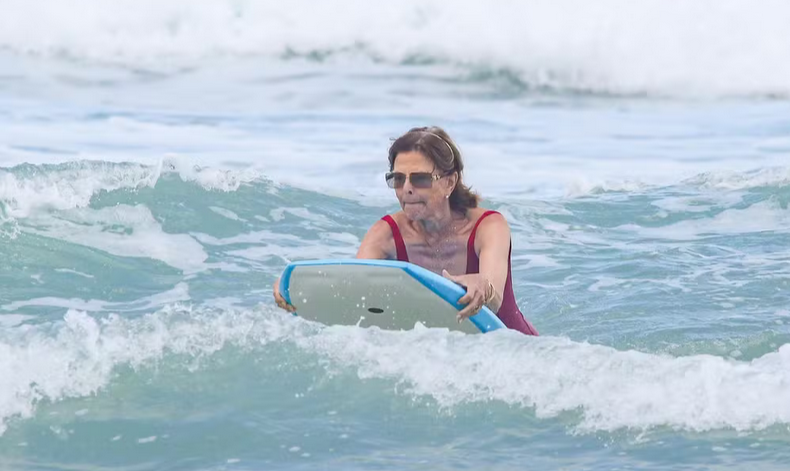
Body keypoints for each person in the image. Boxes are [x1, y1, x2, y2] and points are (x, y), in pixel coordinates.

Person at [273, 126, 538, 335]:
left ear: (449, 182)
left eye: (420, 179)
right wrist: (298, 290)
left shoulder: (488, 226)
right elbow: (353, 297)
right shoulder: (385, 234)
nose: (407, 189)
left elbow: (493, 297)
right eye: (398, 179)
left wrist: (484, 286)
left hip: (513, 352)